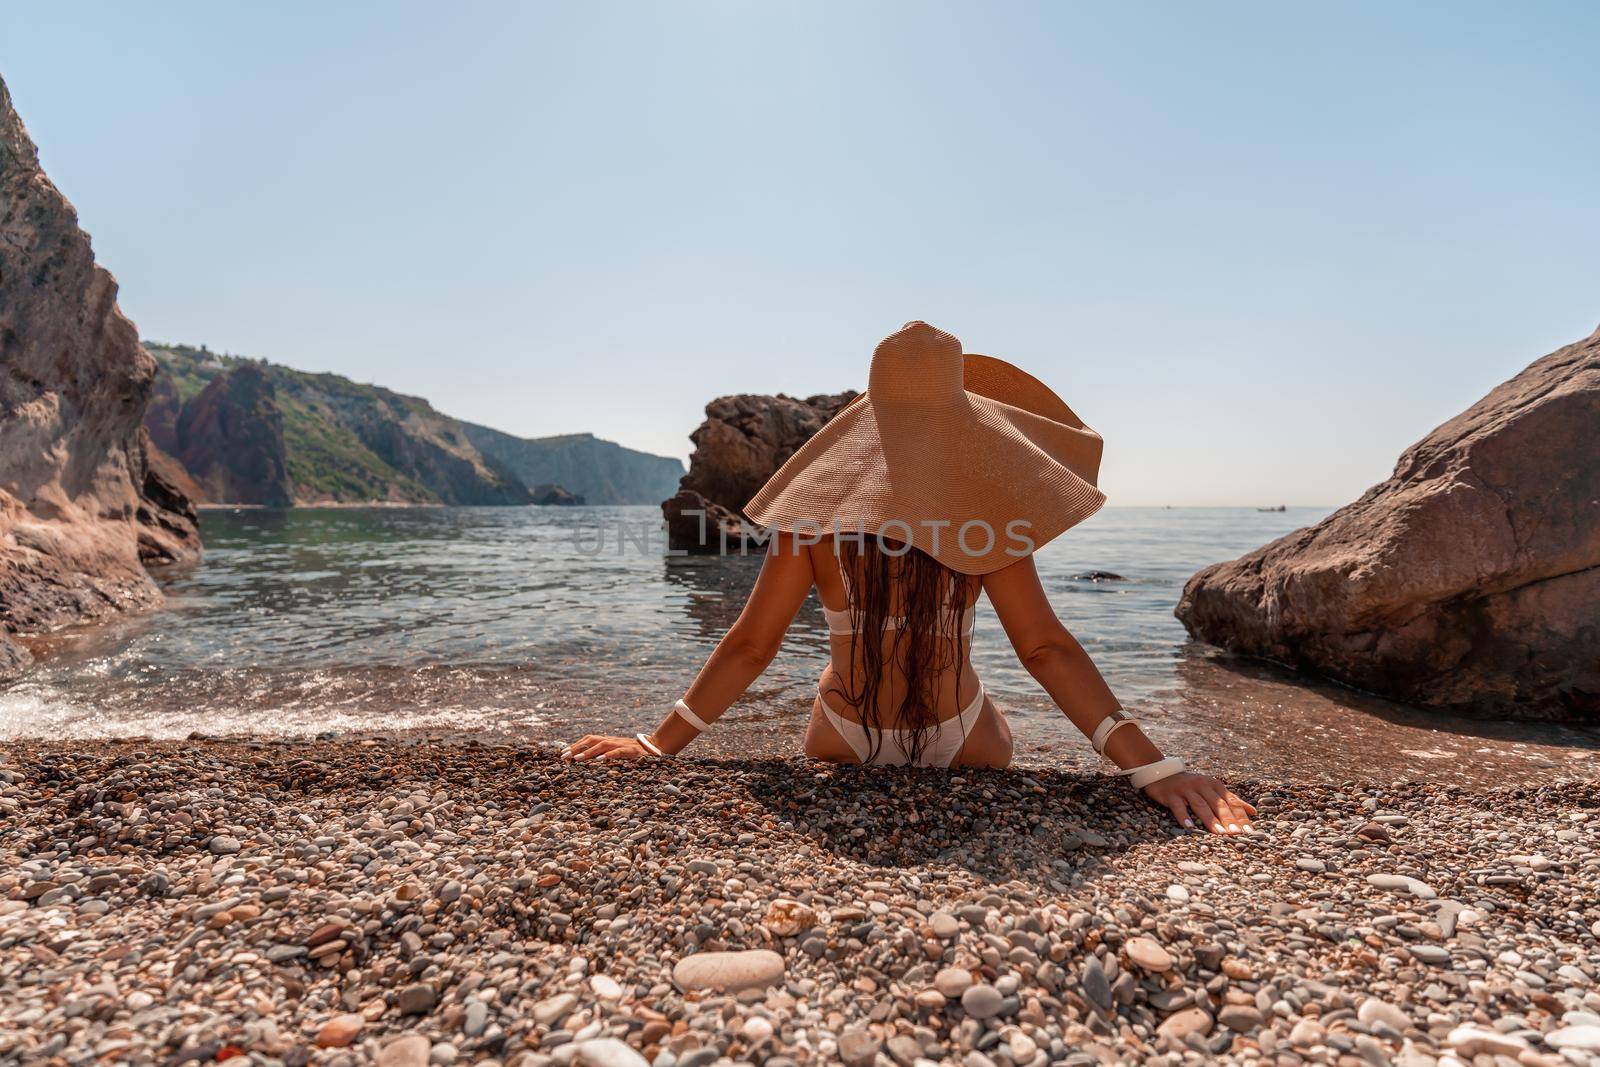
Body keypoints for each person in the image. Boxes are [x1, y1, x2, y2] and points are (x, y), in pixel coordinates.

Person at [564, 321, 1255, 834]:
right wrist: (1156, 770)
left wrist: (657, 744)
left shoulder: (813, 523)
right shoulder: (990, 517)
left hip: (842, 734)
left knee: (830, 680)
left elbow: (750, 646)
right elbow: (1045, 649)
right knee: (995, 707)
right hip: (962, 738)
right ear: (962, 423)